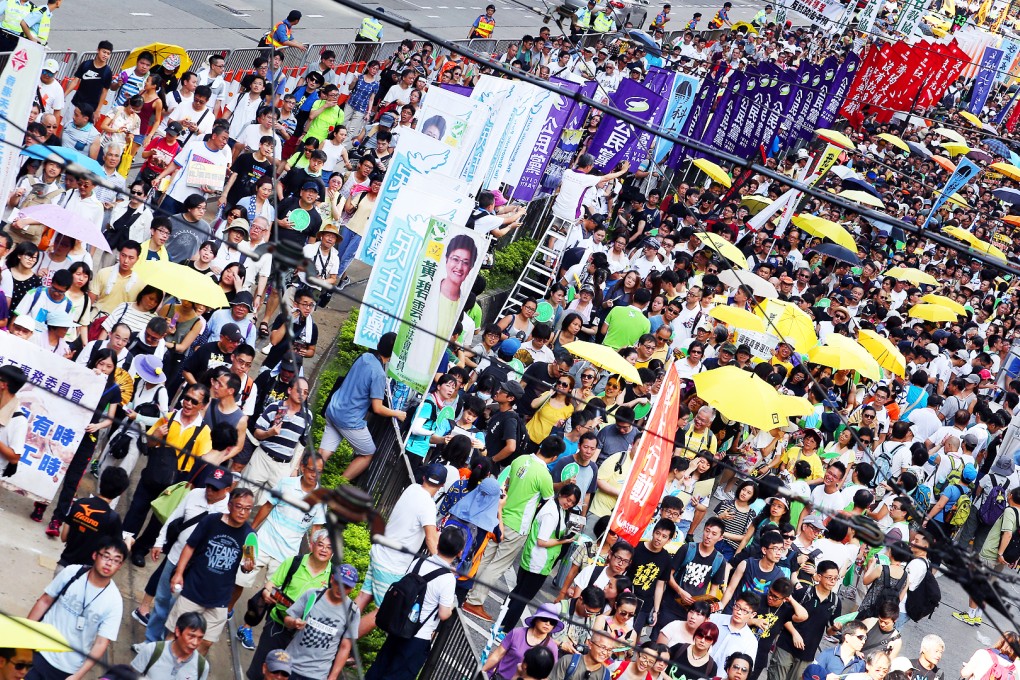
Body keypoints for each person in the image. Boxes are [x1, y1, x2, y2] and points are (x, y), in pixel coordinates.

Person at [463, 437, 561, 622]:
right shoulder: (544, 476)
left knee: (485, 557)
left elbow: (507, 484)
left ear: (541, 446)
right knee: (498, 565)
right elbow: (548, 502)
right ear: (555, 457)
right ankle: (474, 601)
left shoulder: (520, 459)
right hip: (518, 526)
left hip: (499, 516)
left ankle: (467, 591)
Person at [363, 526, 463, 680]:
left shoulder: (418, 561)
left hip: (398, 626)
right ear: (459, 552)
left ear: (437, 544)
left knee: (379, 669)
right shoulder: (448, 579)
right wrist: (451, 606)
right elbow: (444, 614)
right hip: (418, 637)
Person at [166, 488, 256, 653]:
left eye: (248, 508)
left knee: (206, 643)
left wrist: (247, 567)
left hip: (220, 599)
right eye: (239, 506)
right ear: (229, 505)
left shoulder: (249, 535)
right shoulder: (211, 521)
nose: (243, 512)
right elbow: (190, 546)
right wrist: (178, 573)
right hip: (193, 590)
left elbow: (247, 563)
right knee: (175, 634)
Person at [25, 536, 128, 680]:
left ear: (120, 565)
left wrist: (77, 676)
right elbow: (45, 601)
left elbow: (101, 643)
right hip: (38, 649)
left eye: (116, 560)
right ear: (95, 555)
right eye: (106, 556)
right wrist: (23, 636)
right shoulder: (72, 572)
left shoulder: (114, 601)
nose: (109, 563)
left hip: (66, 667)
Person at [320, 332, 406, 480]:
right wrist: (397, 413)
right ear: (394, 354)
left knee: (323, 453)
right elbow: (377, 408)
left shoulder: (364, 357)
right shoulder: (379, 374)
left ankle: (305, 481)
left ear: (378, 344)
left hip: (333, 409)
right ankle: (337, 488)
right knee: (368, 453)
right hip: (349, 419)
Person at [282, 564, 362, 680]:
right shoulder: (313, 595)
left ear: (352, 589)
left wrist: (333, 676)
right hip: (288, 664)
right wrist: (294, 622)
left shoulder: (352, 612)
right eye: (338, 583)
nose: (341, 589)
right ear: (332, 579)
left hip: (318, 674)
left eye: (346, 587)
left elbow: (345, 647)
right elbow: (287, 619)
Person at [57, 467, 130, 569]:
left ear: (100, 483)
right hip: (85, 573)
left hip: (63, 566)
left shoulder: (79, 503)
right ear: (120, 493)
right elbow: (119, 552)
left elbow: (64, 537)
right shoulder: (113, 518)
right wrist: (129, 541)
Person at [484, 603, 562, 678]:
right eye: (544, 619)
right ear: (536, 619)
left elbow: (547, 676)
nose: (548, 623)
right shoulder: (517, 633)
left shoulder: (552, 648)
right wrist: (481, 672)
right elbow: (497, 655)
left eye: (552, 622)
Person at [130, 612, 209, 680]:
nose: (195, 643)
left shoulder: (202, 666)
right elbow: (130, 676)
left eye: (200, 638)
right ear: (178, 631)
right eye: (191, 636)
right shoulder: (152, 650)